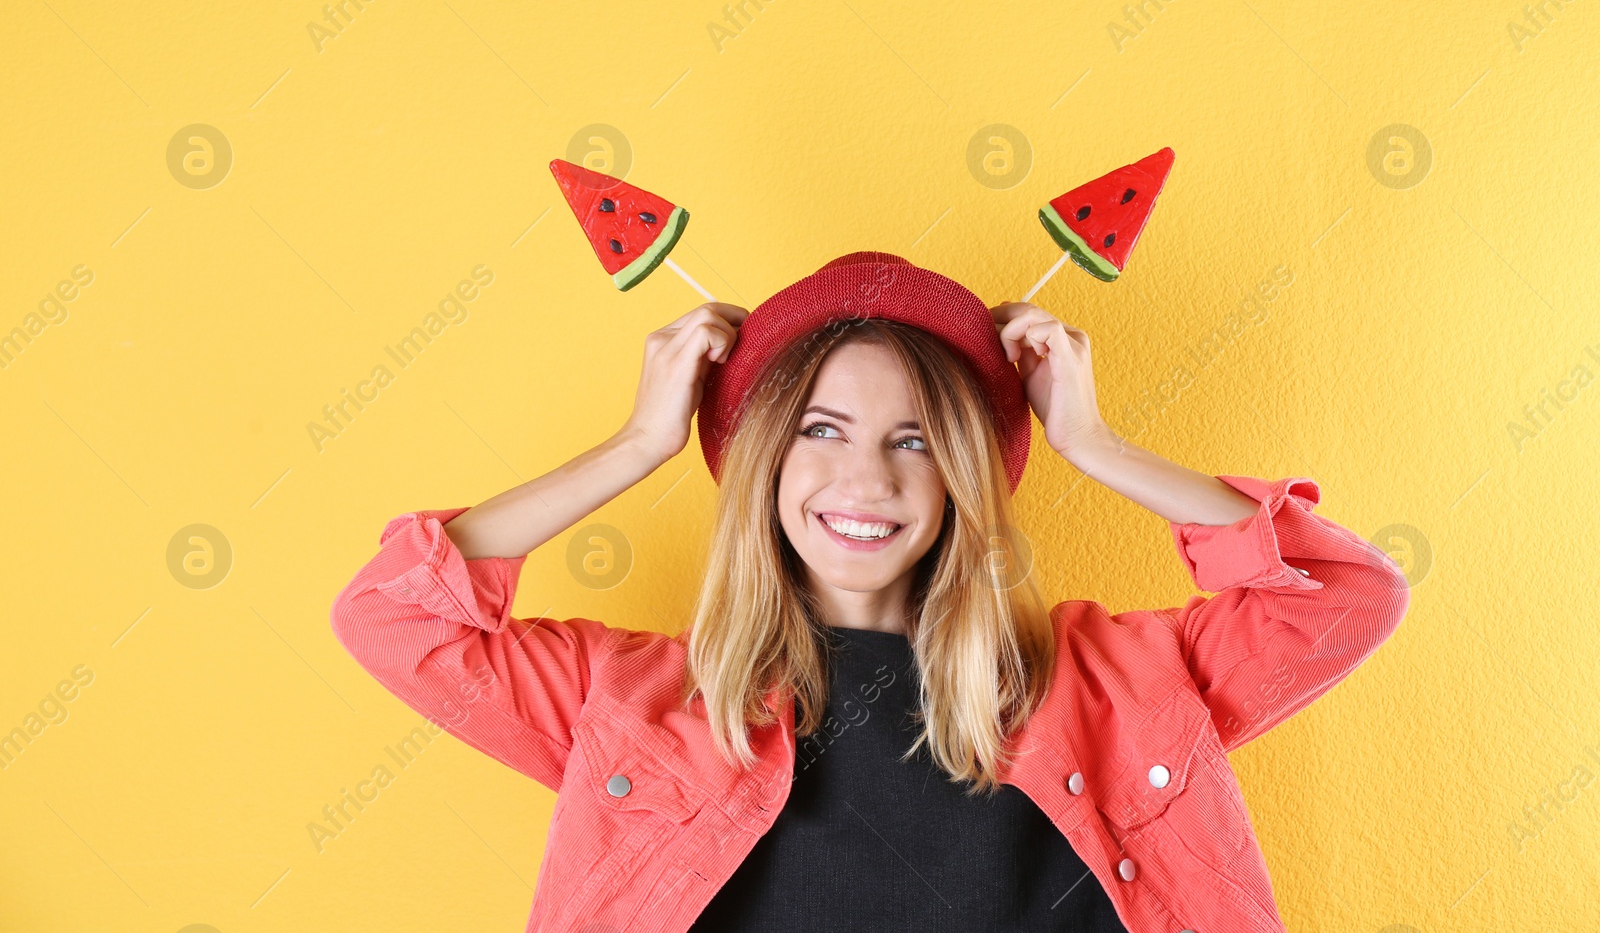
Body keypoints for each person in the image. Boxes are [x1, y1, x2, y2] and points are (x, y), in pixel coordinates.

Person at [330, 251, 1409, 933]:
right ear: (762, 462)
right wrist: (635, 445)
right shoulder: (634, 701)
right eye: (818, 430)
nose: (867, 478)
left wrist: (1093, 441)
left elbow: (1342, 593)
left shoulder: (1114, 682)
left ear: (961, 476)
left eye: (915, 440)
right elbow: (394, 615)